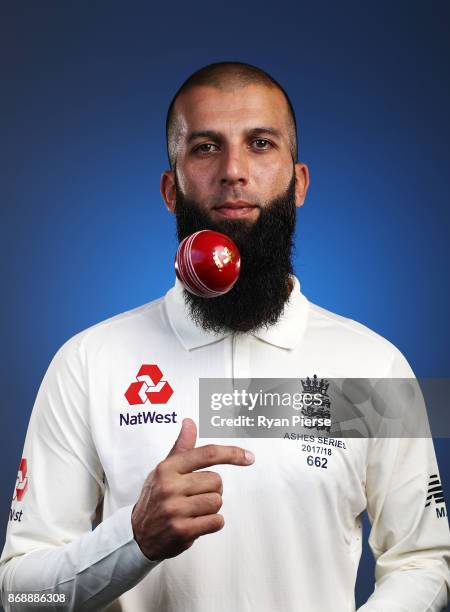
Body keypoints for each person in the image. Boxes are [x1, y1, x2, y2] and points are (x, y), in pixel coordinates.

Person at [0, 62, 449, 612]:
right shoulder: (89, 362)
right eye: (206, 147)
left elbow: (424, 562)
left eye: (260, 143)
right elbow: (19, 591)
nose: (233, 171)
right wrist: (132, 540)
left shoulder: (372, 367)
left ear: (298, 182)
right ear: (171, 188)